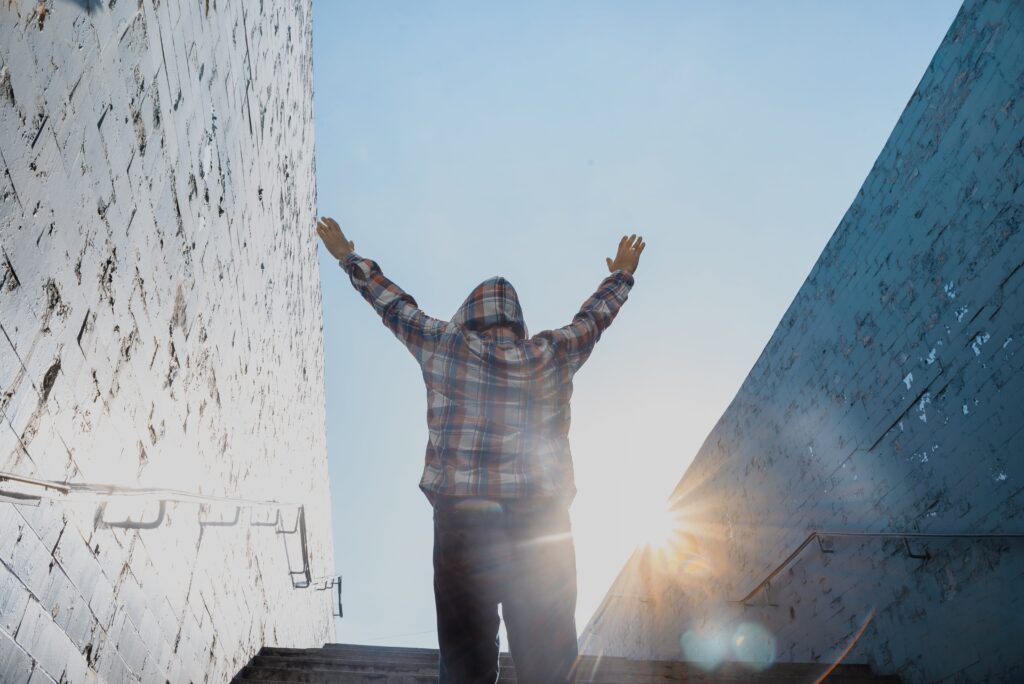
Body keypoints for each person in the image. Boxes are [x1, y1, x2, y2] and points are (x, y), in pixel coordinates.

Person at [316, 217, 644, 683]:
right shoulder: (550, 354)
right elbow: (593, 321)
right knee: (549, 658)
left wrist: (349, 257)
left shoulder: (445, 346)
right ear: (516, 322)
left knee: (466, 656)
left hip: (463, 521)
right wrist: (621, 275)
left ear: (469, 315)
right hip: (541, 523)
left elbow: (394, 306)